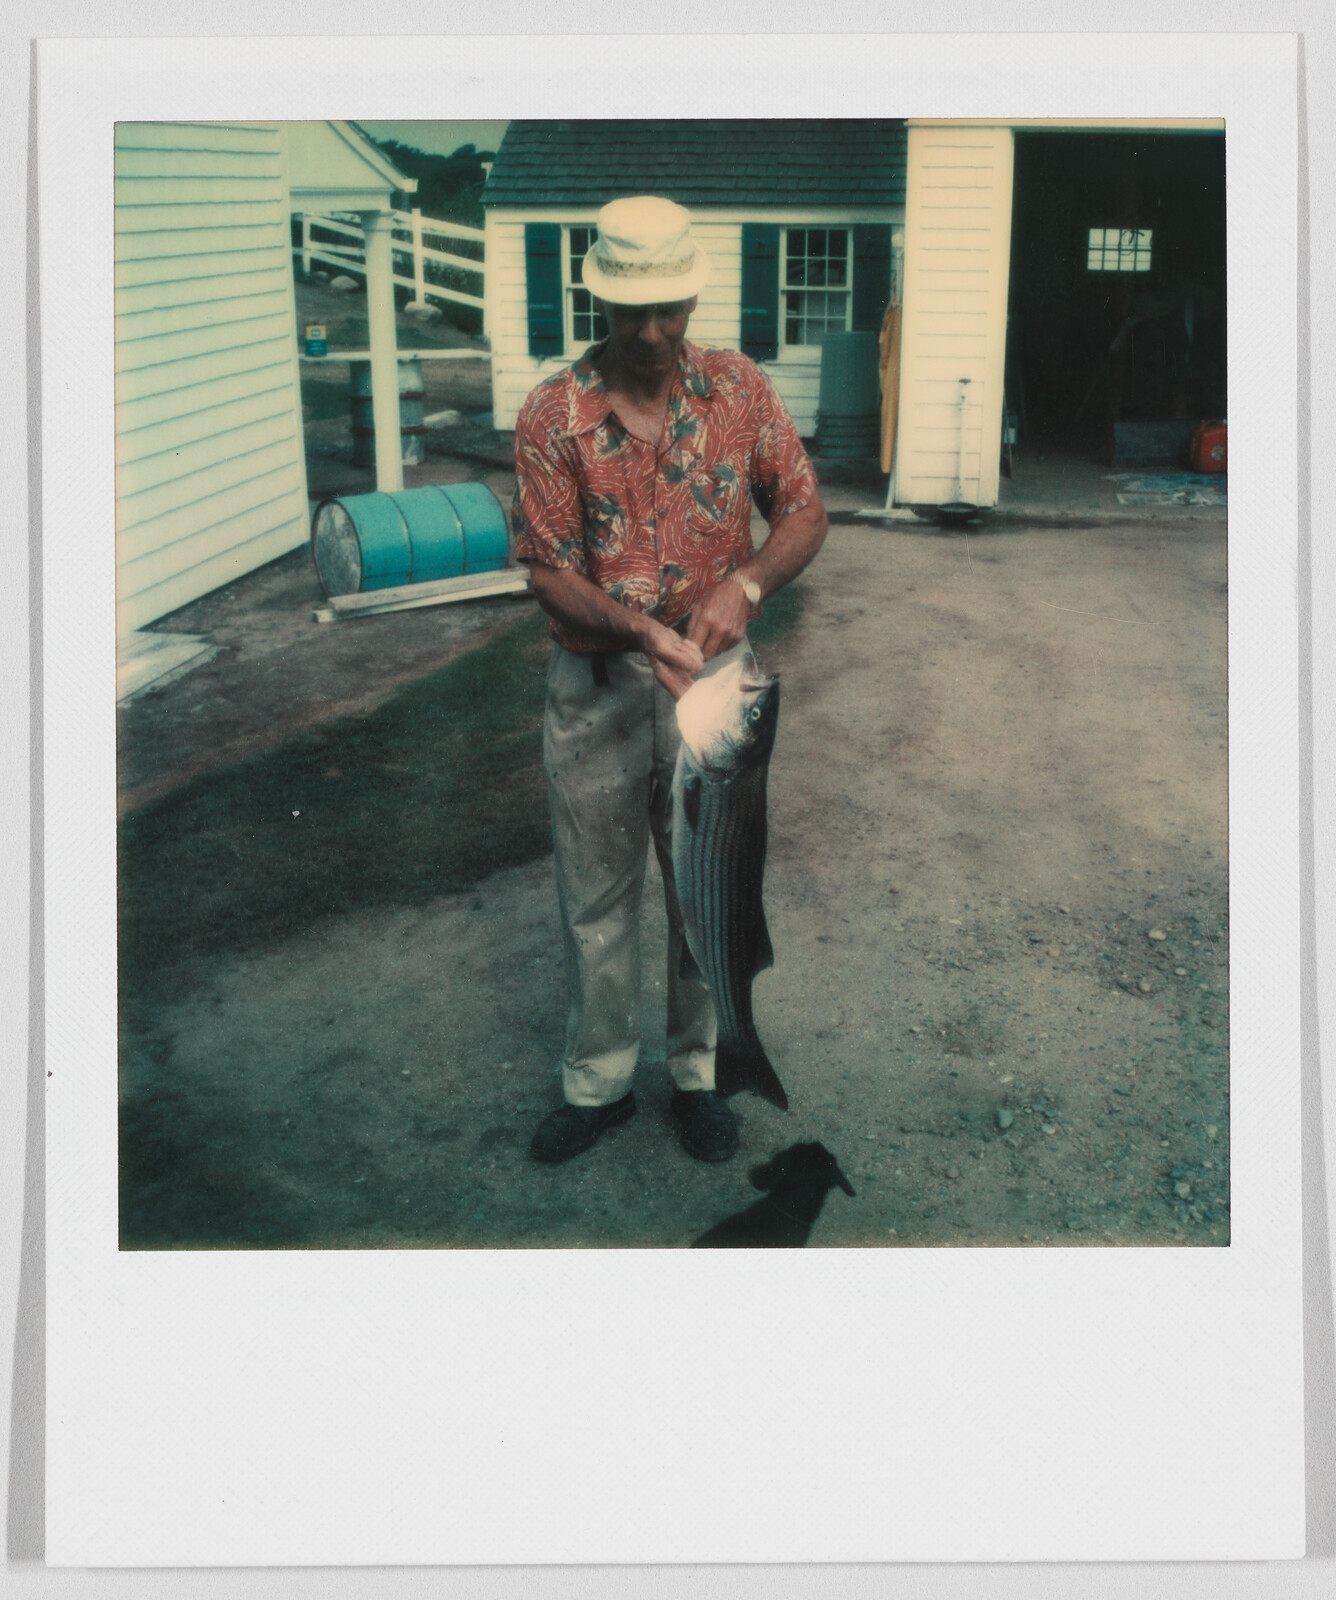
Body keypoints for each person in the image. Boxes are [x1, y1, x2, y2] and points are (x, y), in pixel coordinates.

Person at [512, 195, 828, 1165]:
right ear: (598, 300)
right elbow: (549, 571)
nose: (651, 332)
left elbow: (806, 511)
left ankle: (701, 1068)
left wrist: (746, 580)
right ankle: (601, 1081)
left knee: (709, 884)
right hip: (597, 688)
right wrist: (642, 627)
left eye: (669, 309)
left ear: (691, 295)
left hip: (714, 696)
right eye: (630, 310)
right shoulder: (552, 413)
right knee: (595, 895)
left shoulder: (738, 390)